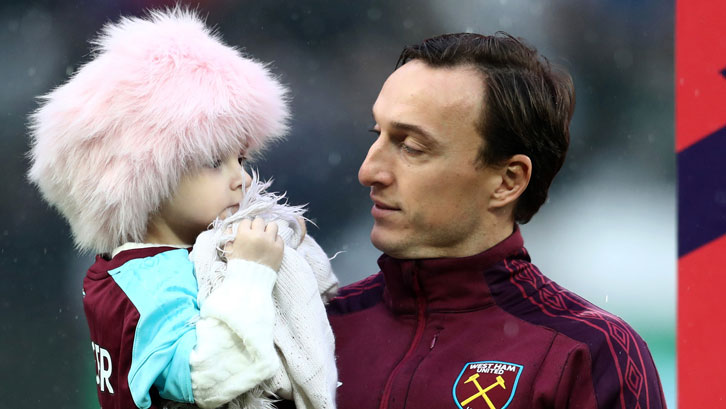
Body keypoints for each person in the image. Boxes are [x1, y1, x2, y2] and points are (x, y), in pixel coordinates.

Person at [327, 32, 667, 409]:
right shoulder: (319, 328)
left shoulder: (589, 352)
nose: (369, 171)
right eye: (378, 135)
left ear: (508, 180)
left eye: (411, 147)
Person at [27, 8, 336, 409]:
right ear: (143, 180)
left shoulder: (149, 266)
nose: (241, 179)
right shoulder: (147, 282)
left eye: (240, 160)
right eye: (213, 162)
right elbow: (209, 377)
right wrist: (251, 273)